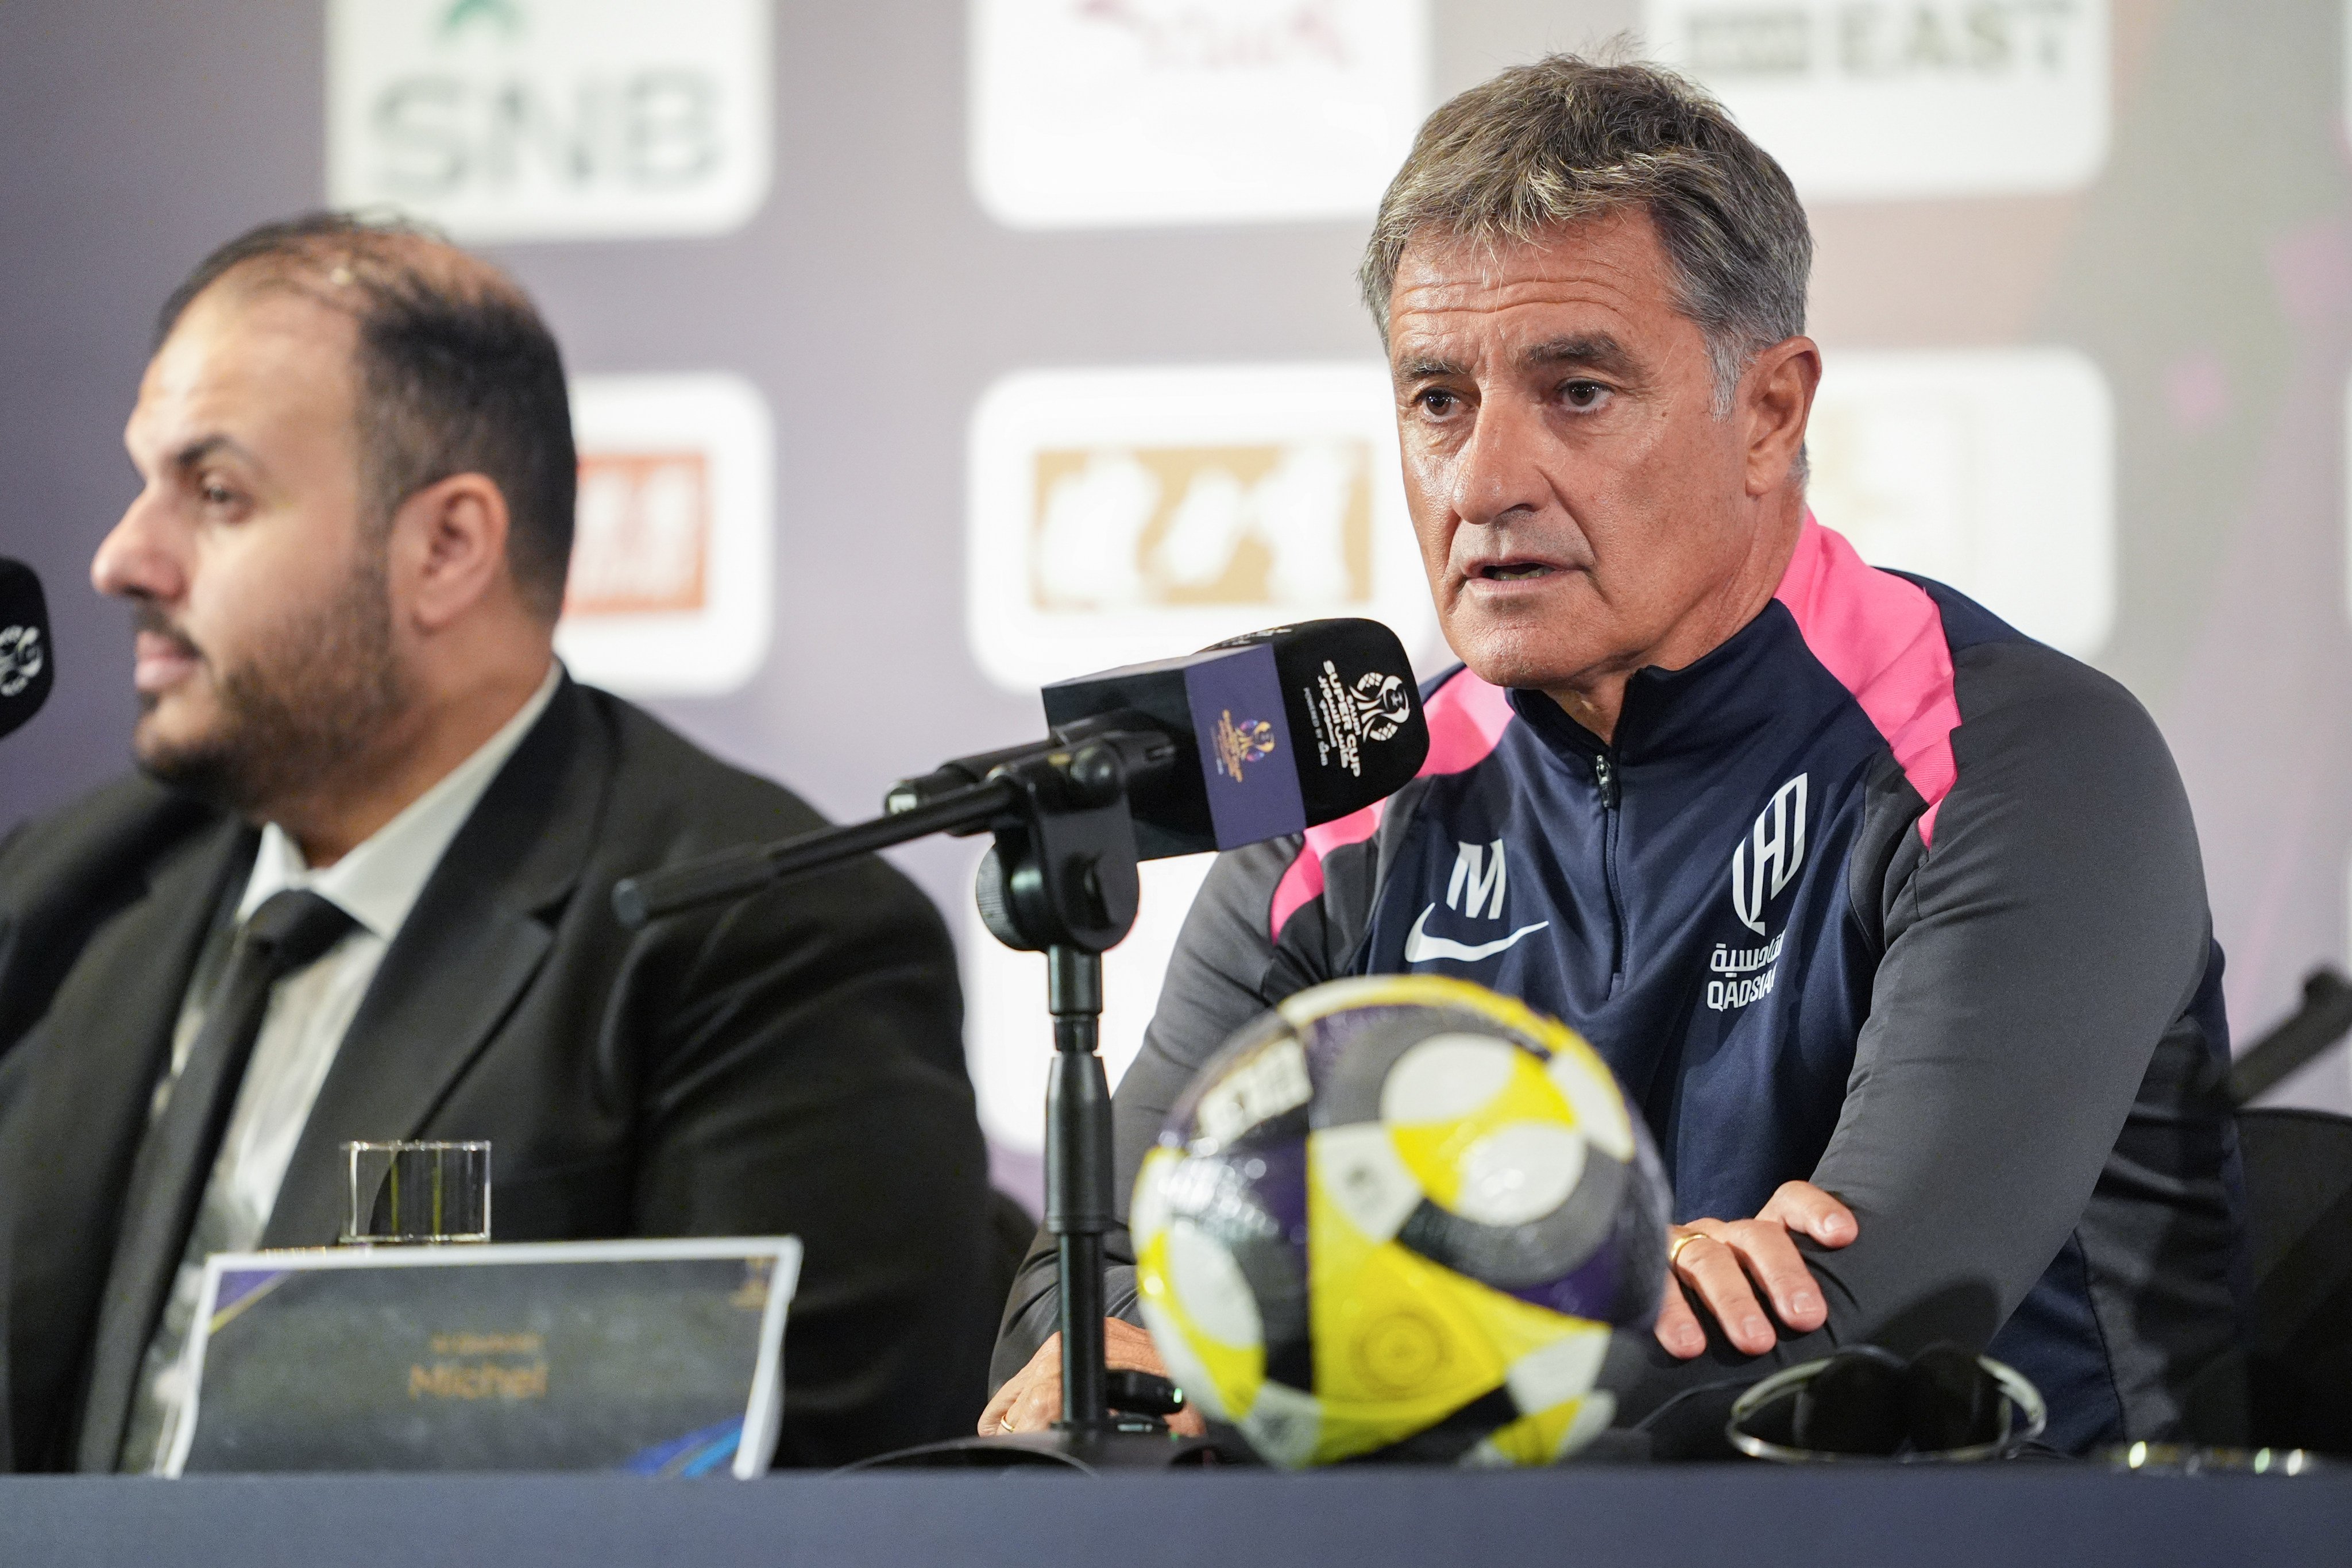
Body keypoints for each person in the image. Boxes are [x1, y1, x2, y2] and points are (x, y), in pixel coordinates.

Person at [985, 55, 2245, 1454]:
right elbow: (1078, 1305)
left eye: (1574, 392)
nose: (1481, 481)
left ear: (1769, 412)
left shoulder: (2014, 756)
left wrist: (1270, 1365)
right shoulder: (1347, 809)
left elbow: (1846, 1344)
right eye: (1436, 400)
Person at [0, 214, 995, 1472]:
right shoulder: (58, 895)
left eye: (216, 494)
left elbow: (808, 1507)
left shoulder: (757, 939)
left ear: (447, 548)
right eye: (145, 483)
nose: (121, 558)